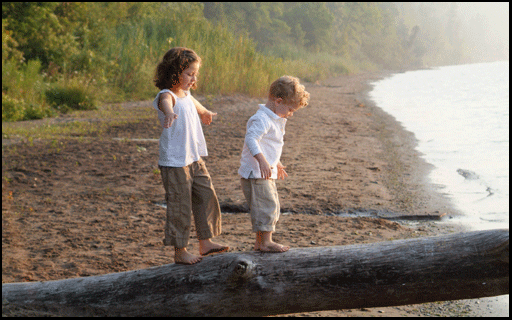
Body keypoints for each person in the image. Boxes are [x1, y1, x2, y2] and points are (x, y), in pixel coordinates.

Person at [153, 47, 229, 265]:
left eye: (195, 74)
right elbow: (167, 104)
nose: (193, 78)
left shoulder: (186, 94)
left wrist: (204, 112)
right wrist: (168, 113)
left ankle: (205, 242)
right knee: (180, 206)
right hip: (175, 162)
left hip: (194, 158)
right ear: (174, 72)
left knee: (206, 196)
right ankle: (180, 251)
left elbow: (193, 103)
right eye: (189, 73)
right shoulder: (166, 95)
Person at [239, 76, 310, 253]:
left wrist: (275, 162)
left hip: (262, 171)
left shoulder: (273, 119)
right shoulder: (262, 119)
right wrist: (262, 161)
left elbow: (268, 145)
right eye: (291, 109)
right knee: (267, 206)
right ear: (278, 101)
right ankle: (266, 242)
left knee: (264, 206)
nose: (291, 114)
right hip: (257, 173)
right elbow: (251, 139)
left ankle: (259, 243)